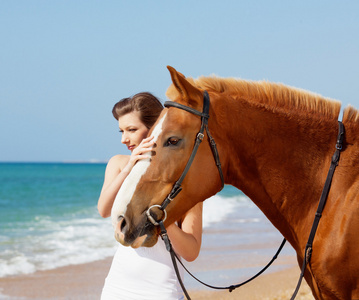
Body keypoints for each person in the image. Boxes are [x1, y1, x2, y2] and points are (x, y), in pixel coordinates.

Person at [98, 92, 203, 300]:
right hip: (117, 288)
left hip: (162, 292)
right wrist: (130, 167)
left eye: (131, 130)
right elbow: (104, 210)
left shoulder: (185, 179)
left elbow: (191, 252)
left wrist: (163, 220)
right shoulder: (119, 164)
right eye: (121, 130)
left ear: (155, 128)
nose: (123, 139)